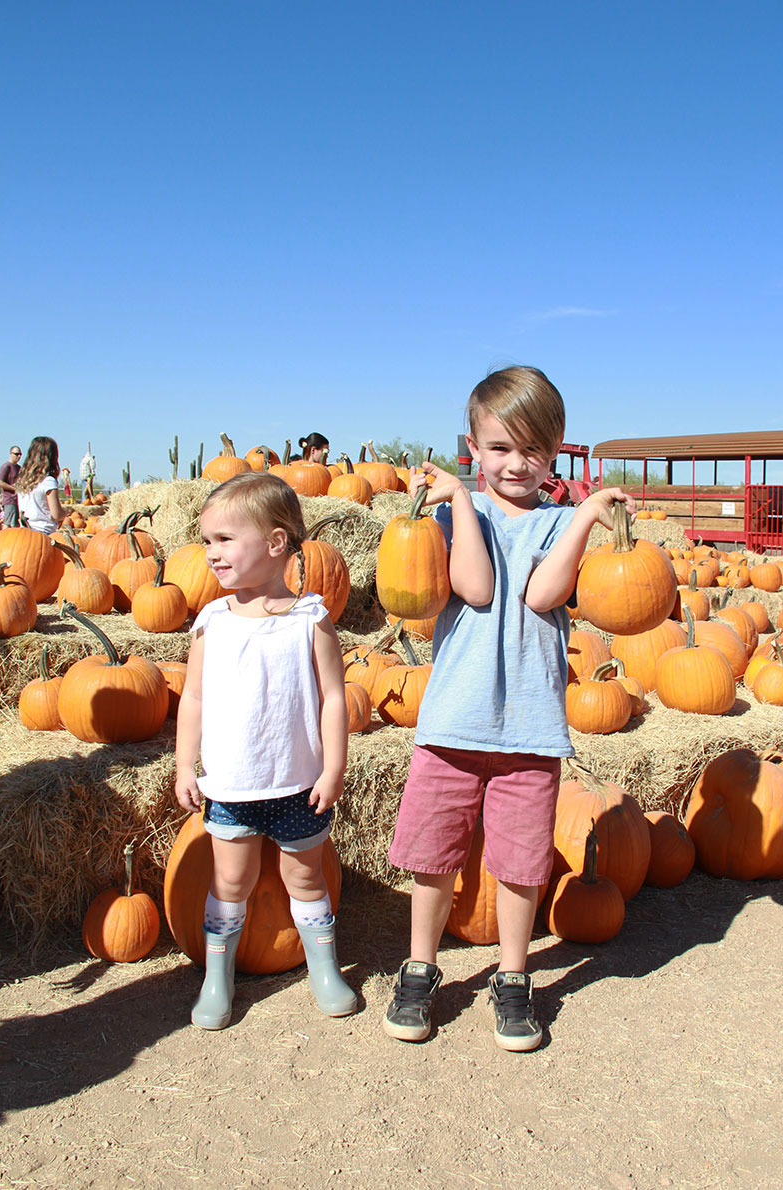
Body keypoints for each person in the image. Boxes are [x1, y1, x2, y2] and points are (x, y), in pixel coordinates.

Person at [383, 366, 635, 1052]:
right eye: (499, 449)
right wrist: (462, 503)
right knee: (434, 854)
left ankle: (515, 976)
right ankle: (420, 966)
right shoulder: (447, 517)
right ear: (473, 447)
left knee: (521, 863)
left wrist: (584, 515)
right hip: (452, 725)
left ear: (554, 450)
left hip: (529, 729)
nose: (516, 464)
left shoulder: (559, 523)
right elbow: (477, 584)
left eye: (532, 450)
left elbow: (541, 595)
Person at [175, 471, 356, 1030]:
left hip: (298, 785)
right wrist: (186, 763)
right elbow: (195, 697)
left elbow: (332, 698)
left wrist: (334, 767)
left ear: (276, 543)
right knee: (230, 883)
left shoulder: (311, 618)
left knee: (306, 879)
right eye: (207, 542)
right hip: (231, 786)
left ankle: (323, 968)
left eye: (225, 540)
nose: (211, 553)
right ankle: (218, 975)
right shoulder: (212, 622)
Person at [14, 437, 66, 534]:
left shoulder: (23, 481)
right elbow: (56, 514)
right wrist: (65, 513)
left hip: (24, 532)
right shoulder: (48, 481)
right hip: (43, 532)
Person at [0, 445, 22, 527]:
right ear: (11, 454)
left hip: (18, 500)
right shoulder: (6, 466)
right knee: (9, 525)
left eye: (20, 454)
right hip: (9, 500)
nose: (18, 456)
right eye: (16, 454)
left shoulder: (19, 468)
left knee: (17, 525)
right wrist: (13, 488)